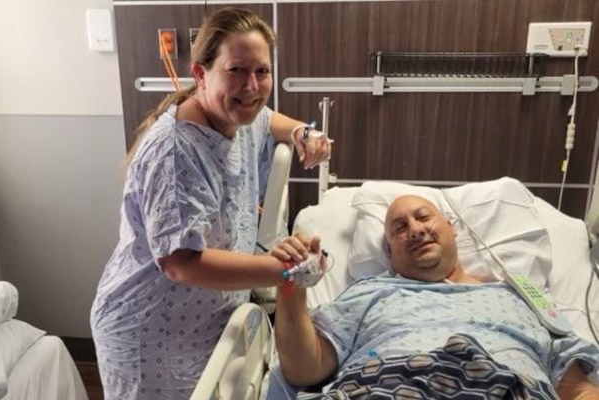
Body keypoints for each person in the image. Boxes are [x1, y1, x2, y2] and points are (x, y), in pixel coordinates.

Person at [90, 7, 330, 399]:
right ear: (201, 74)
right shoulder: (176, 151)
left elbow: (268, 118)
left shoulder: (238, 117)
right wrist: (283, 271)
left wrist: (302, 131)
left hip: (204, 327)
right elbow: (182, 263)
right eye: (236, 70)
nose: (251, 85)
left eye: (262, 71)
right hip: (149, 337)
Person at [272, 195, 599, 399]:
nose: (414, 229)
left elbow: (576, 389)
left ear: (451, 226)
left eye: (424, 217)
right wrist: (291, 286)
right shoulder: (368, 293)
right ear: (389, 250)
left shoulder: (519, 299)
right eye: (399, 228)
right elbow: (305, 370)